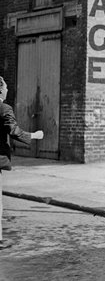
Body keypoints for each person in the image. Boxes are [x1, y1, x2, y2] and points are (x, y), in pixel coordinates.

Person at [0, 76, 44, 244]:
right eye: (5, 87)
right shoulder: (4, 108)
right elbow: (13, 130)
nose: (7, 90)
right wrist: (34, 135)